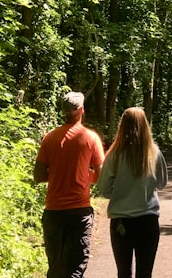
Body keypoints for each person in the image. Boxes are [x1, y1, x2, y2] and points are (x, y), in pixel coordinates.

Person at [34, 91, 105, 278]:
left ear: (63, 112)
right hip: (79, 211)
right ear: (81, 110)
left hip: (53, 211)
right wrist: (83, 175)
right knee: (75, 267)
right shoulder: (91, 138)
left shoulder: (49, 138)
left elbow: (38, 175)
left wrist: (59, 173)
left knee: (56, 267)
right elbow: (101, 176)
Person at [97, 107, 168, 278]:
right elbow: (161, 183)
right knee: (145, 272)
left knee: (123, 272)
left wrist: (120, 192)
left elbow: (103, 189)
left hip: (121, 222)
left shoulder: (114, 154)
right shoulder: (154, 153)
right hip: (148, 220)